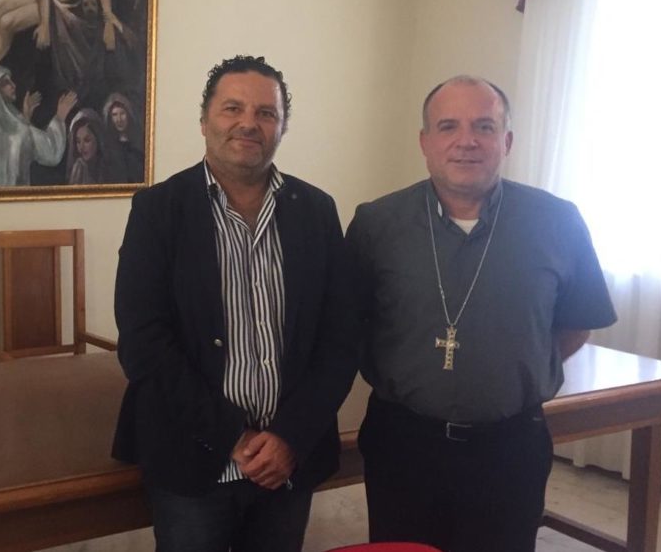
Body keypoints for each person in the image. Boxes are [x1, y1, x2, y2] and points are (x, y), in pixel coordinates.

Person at [345, 75, 617, 552]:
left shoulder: (557, 221)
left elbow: (577, 321)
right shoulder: (376, 223)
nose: (466, 140)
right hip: (403, 443)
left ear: (506, 141)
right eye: (448, 126)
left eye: (484, 127)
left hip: (510, 447)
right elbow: (350, 323)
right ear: (425, 142)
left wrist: (513, 369)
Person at [112, 55, 357, 552]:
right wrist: (233, 438)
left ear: (282, 127)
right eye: (232, 108)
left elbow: (340, 338)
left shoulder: (316, 211)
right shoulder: (158, 210)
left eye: (266, 113)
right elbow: (143, 343)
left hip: (287, 463)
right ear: (204, 120)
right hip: (193, 460)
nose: (249, 123)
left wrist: (289, 437)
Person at [0, 66, 77, 187]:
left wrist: (25, 117)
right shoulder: (21, 132)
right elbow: (52, 152)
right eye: (6, 83)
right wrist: (60, 116)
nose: (13, 85)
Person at [102, 92, 144, 182]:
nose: (119, 119)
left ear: (128, 115)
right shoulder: (108, 150)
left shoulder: (138, 146)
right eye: (114, 115)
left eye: (122, 113)